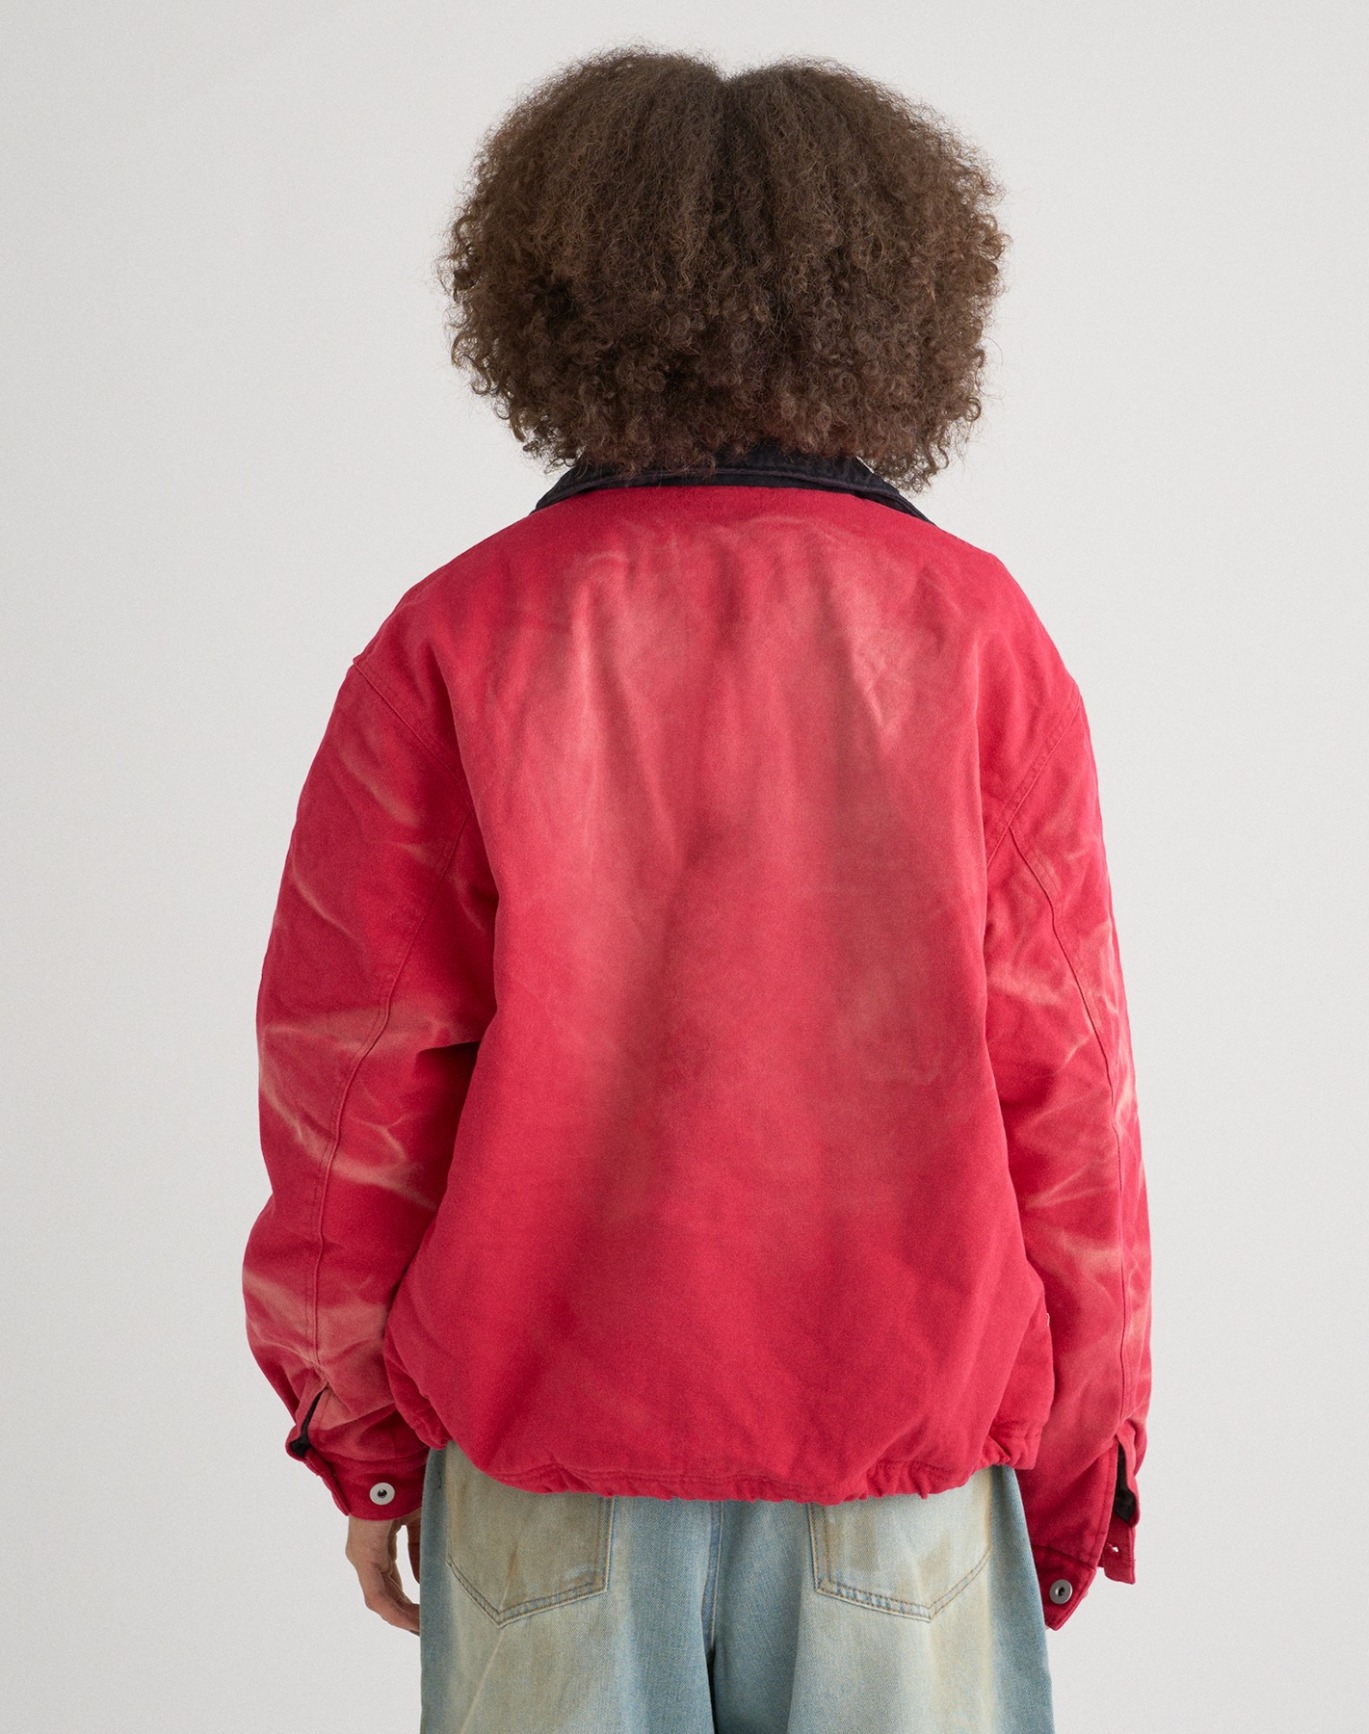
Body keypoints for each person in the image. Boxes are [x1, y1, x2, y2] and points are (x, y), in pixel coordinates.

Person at [242, 46, 1151, 1734]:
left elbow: (348, 1085)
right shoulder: (971, 632)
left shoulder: (458, 634)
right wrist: (1077, 1465)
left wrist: (359, 1441)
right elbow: (1068, 1092)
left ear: (552, 301)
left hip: (547, 1454)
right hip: (898, 1461)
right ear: (895, 305)